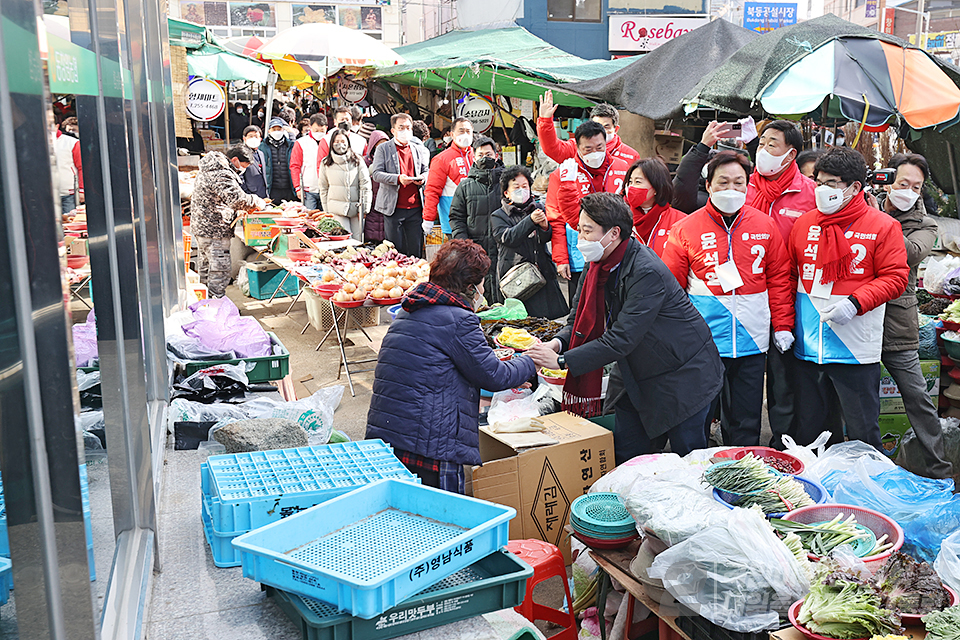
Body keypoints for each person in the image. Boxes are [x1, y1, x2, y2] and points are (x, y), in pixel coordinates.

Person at [527, 193, 724, 463]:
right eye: (579, 230)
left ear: (613, 233)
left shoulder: (646, 271)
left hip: (683, 375)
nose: (581, 239)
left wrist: (563, 361)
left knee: (688, 462)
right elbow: (577, 319)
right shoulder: (597, 263)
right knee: (626, 454)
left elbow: (621, 339)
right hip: (636, 373)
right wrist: (558, 343)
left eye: (587, 231)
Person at [366, 239, 535, 493]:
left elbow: (453, 364)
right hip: (428, 441)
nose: (482, 290)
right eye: (480, 284)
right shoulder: (459, 320)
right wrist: (532, 360)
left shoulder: (410, 310)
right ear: (469, 286)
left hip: (392, 435)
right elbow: (494, 376)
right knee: (437, 517)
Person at [661, 151, 794, 446]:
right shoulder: (685, 229)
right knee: (699, 413)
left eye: (738, 183)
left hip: (752, 338)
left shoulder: (765, 225)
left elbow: (779, 280)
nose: (731, 190)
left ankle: (742, 467)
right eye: (723, 182)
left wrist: (783, 326)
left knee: (746, 416)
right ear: (708, 185)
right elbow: (672, 288)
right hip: (703, 341)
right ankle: (698, 468)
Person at [788, 147, 909, 449]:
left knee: (863, 433)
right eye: (818, 182)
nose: (821, 189)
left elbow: (895, 278)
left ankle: (863, 492)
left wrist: (855, 303)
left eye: (831, 183)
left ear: (855, 187)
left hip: (854, 349)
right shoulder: (804, 224)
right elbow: (789, 276)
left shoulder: (883, 226)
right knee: (811, 433)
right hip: (808, 346)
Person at [875, 154, 953, 478]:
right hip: (856, 318)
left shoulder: (925, 224)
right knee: (860, 397)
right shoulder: (864, 204)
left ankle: (940, 469)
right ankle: (867, 463)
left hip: (896, 321)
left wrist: (874, 219)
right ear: (888, 179)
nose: (908, 190)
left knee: (918, 397)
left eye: (915, 186)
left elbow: (910, 252)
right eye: (902, 183)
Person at [746, 120, 819, 450]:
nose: (763, 150)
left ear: (790, 154)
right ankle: (739, 440)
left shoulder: (810, 194)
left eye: (771, 144)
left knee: (783, 377)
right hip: (743, 297)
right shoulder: (744, 187)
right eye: (761, 143)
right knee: (742, 373)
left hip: (787, 299)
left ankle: (783, 443)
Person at [545, 120, 629, 300]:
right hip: (579, 255)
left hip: (616, 251)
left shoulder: (623, 168)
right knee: (582, 305)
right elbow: (556, 218)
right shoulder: (563, 174)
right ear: (577, 148)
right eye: (588, 149)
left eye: (599, 147)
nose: (595, 154)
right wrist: (561, 259)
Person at [491, 166, 569, 319]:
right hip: (517, 277)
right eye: (516, 187)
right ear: (506, 193)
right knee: (521, 321)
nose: (522, 190)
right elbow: (509, 238)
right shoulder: (498, 216)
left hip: (541, 272)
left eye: (524, 186)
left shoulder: (538, 208)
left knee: (548, 321)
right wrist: (530, 221)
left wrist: (545, 227)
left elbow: (544, 238)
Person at [191, 147, 265, 298]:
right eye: (244, 166)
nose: (243, 170)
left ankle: (205, 304)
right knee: (219, 271)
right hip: (214, 230)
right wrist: (257, 201)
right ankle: (217, 306)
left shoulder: (211, 168)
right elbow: (236, 199)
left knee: (206, 269)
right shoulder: (220, 171)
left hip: (203, 227)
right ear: (235, 160)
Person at [449, 136, 505, 304]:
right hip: (477, 250)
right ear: (473, 157)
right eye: (480, 155)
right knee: (480, 295)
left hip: (504, 246)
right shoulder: (465, 185)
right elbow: (456, 216)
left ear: (496, 155)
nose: (484, 158)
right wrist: (465, 244)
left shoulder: (507, 182)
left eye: (488, 154)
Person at [370, 113, 431, 258]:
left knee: (415, 250)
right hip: (393, 208)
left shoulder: (417, 148)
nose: (405, 131)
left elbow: (426, 170)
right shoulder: (383, 148)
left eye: (408, 127)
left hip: (415, 207)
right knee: (395, 251)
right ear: (393, 130)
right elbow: (376, 173)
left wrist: (423, 178)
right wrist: (397, 179)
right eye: (401, 127)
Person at [536, 90, 639, 165]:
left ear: (616, 129)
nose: (601, 132)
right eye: (597, 126)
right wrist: (545, 120)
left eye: (606, 126)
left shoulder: (631, 156)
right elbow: (552, 148)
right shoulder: (576, 147)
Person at [620, 157, 686, 257]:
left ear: (656, 187)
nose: (631, 187)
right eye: (630, 182)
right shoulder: (620, 218)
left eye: (638, 182)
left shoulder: (681, 222)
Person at [422, 117, 475, 236]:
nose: (465, 134)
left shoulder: (477, 156)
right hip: (453, 224)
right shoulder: (441, 159)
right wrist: (428, 219)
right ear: (452, 134)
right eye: (461, 131)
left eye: (468, 131)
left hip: (478, 223)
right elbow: (432, 191)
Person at [318, 129, 372, 241]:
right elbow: (323, 188)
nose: (340, 144)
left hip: (356, 209)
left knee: (357, 241)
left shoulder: (357, 161)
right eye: (336, 141)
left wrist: (365, 208)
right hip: (336, 209)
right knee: (343, 240)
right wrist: (326, 210)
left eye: (343, 141)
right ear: (332, 143)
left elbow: (365, 185)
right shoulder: (326, 163)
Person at [672, 121, 724, 214]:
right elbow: (684, 180)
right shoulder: (698, 198)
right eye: (709, 162)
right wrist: (703, 146)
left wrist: (752, 143)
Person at [290, 113, 327, 210]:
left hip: (327, 189)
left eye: (322, 130)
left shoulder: (330, 141)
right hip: (308, 189)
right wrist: (297, 187)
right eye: (316, 130)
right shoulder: (301, 142)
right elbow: (295, 166)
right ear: (310, 127)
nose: (319, 133)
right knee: (309, 217)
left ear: (326, 128)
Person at [363, 130, 390, 242]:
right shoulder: (365, 162)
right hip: (371, 200)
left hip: (386, 200)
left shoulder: (390, 160)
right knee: (371, 228)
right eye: (379, 144)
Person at [262, 117, 297, 203]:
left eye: (279, 129)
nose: (276, 131)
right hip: (273, 189)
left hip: (289, 188)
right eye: (274, 129)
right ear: (269, 131)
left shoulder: (291, 145)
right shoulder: (263, 146)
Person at [54, 117, 83, 215]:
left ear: (57, 126)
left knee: (70, 221)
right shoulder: (37, 143)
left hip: (68, 193)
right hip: (46, 194)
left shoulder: (72, 142)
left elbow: (81, 167)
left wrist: (82, 190)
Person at [239, 125, 268, 198]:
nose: (253, 139)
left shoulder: (261, 153)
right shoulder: (241, 154)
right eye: (250, 136)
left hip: (263, 194)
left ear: (260, 139)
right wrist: (246, 193)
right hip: (250, 195)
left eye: (256, 136)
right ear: (244, 139)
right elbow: (240, 177)